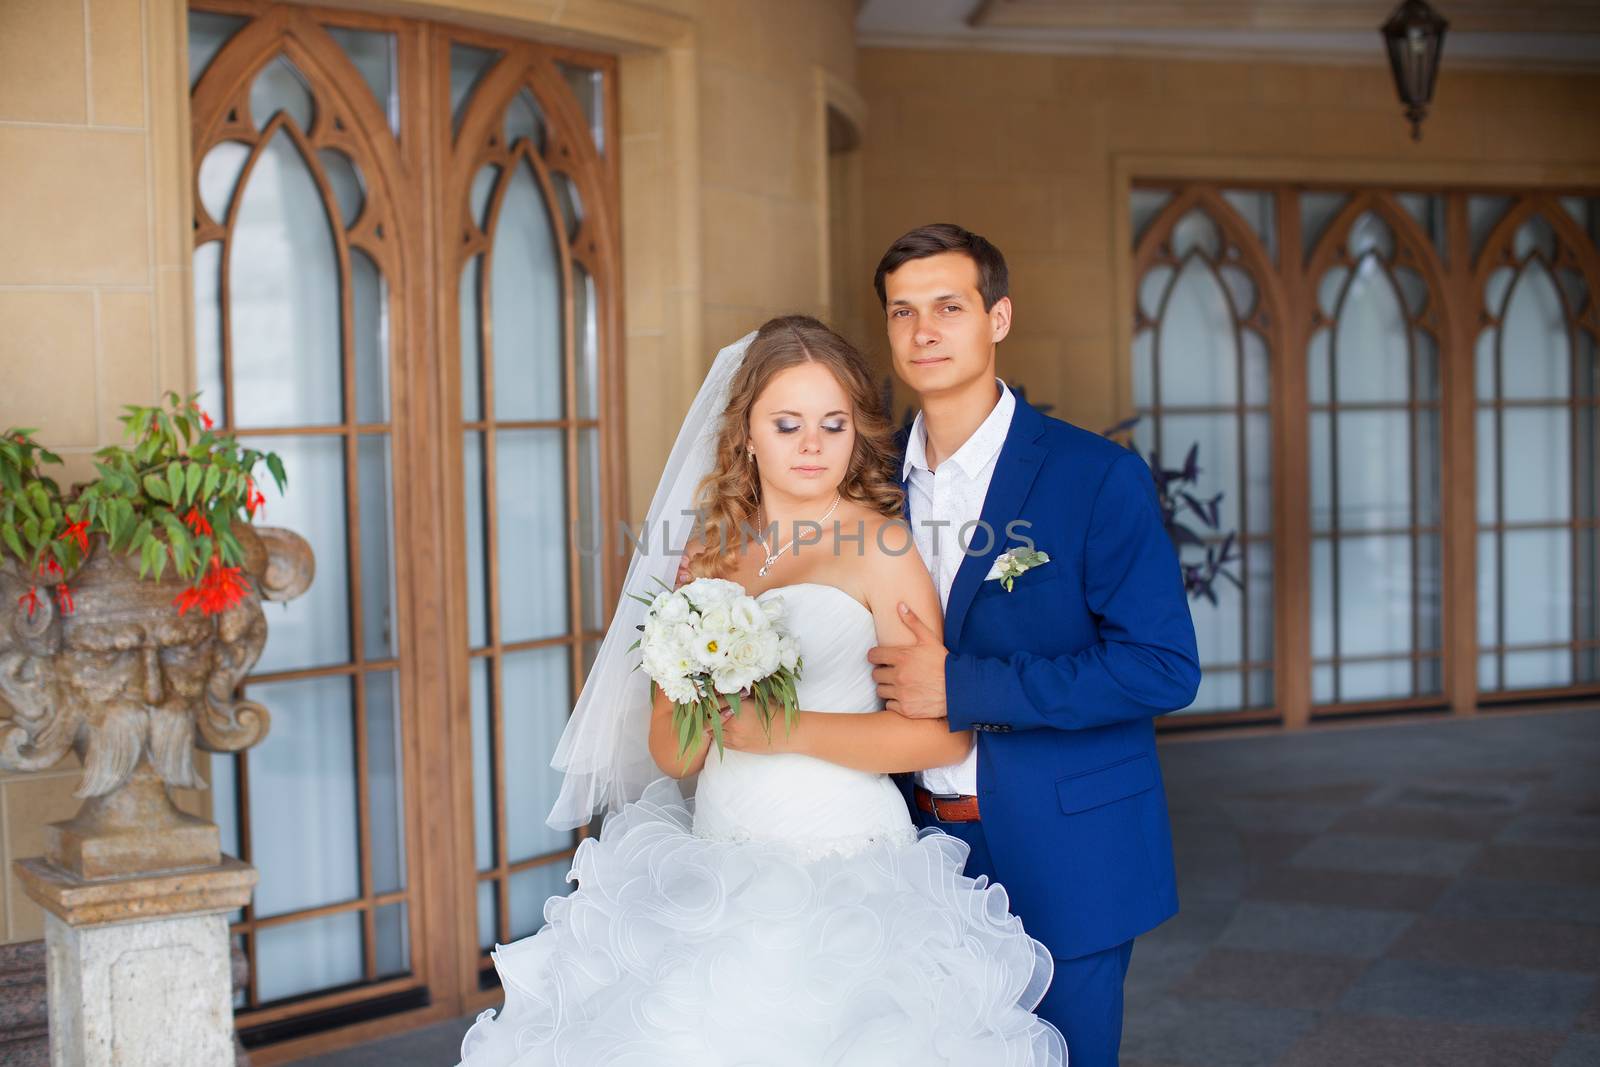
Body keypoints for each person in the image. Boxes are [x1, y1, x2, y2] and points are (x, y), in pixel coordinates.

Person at [456, 315, 1065, 1065]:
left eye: (833, 424)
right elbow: (675, 757)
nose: (812, 445)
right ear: (746, 432)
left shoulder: (883, 547)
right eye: (787, 424)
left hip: (845, 872)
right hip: (714, 865)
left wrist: (783, 728)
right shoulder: (709, 554)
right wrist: (685, 659)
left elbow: (940, 735)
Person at [852, 223, 1201, 1066]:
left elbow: (1162, 666)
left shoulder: (1094, 475)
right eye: (903, 312)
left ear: (998, 318)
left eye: (948, 306)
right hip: (904, 848)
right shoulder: (861, 482)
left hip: (1066, 846)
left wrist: (965, 687)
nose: (924, 331)